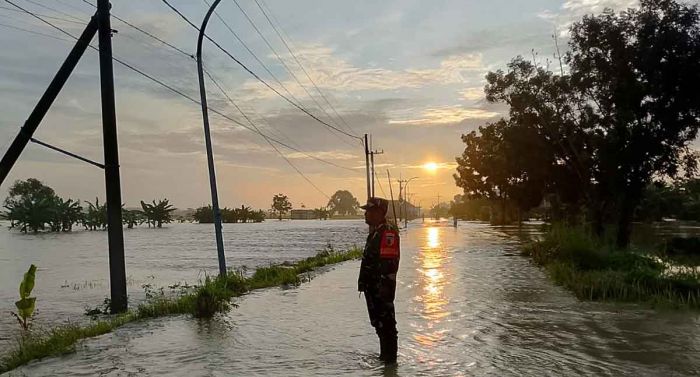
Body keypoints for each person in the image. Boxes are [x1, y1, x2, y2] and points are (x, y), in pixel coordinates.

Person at [358, 197, 400, 363]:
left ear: (378, 212)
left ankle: (390, 364)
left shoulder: (387, 233)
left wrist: (384, 289)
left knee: (387, 327)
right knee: (379, 325)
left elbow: (389, 265)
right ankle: (385, 361)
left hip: (382, 289)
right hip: (373, 288)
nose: (366, 214)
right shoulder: (375, 233)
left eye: (369, 211)